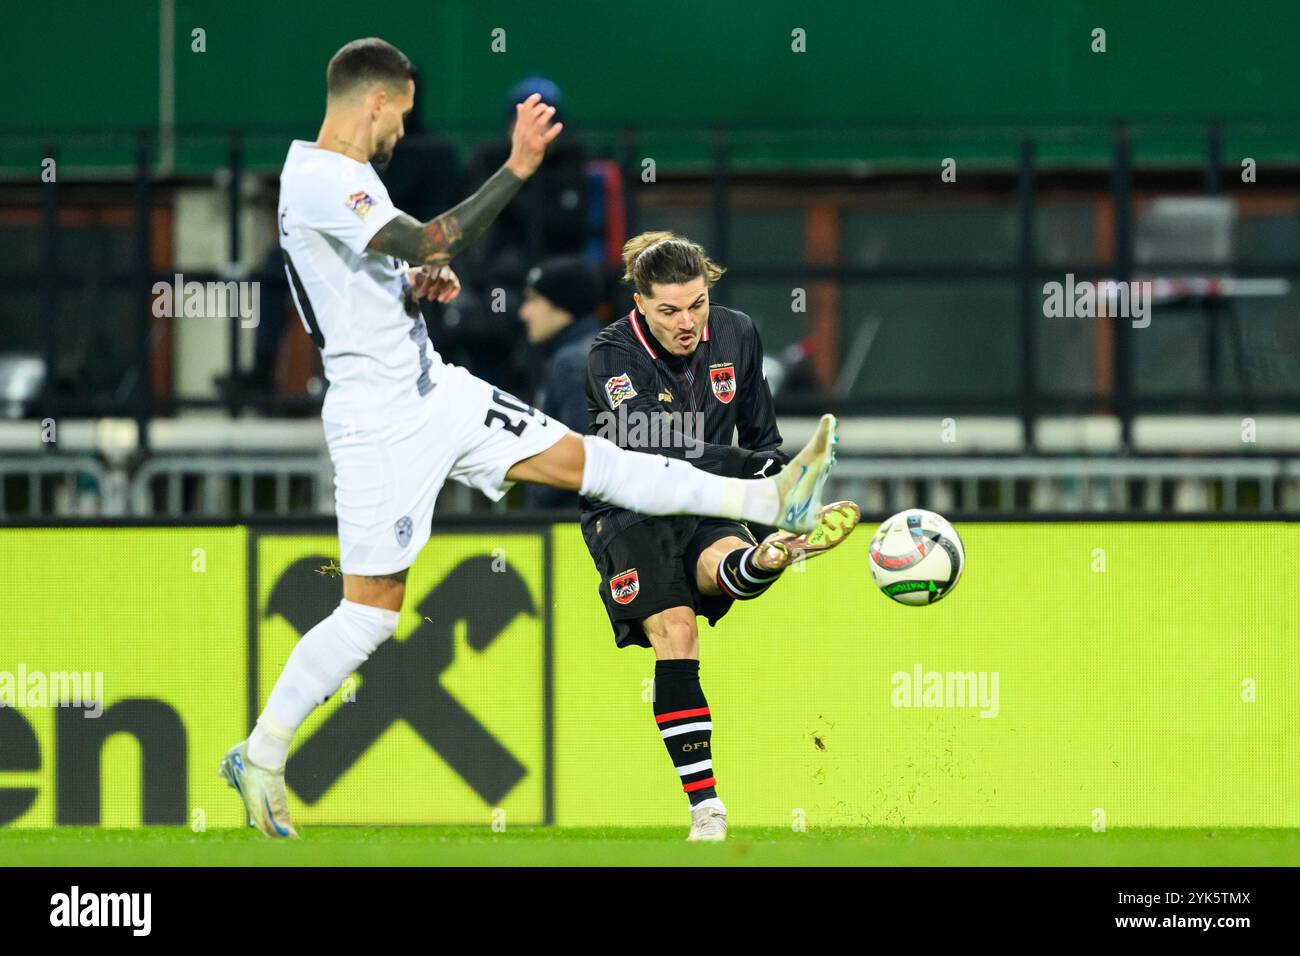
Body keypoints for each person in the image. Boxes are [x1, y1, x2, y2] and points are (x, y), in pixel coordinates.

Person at [219, 38, 842, 838]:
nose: (404, 133)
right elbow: (435, 237)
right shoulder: (318, 177)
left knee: (602, 466)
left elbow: (375, 279)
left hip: (432, 386)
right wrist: (516, 167)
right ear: (373, 100)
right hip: (379, 419)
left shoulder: (349, 180)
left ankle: (766, 493)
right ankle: (263, 753)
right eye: (402, 116)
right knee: (371, 614)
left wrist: (412, 287)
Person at [580, 231, 862, 842]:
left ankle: (765, 555)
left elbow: (763, 440)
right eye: (669, 311)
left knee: (728, 563)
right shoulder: (610, 353)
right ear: (640, 303)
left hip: (708, 500)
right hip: (629, 506)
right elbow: (646, 442)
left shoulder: (738, 333)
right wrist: (763, 480)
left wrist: (773, 485)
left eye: (697, 304)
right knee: (677, 631)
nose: (687, 322)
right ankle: (706, 810)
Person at [519, 255, 602, 510]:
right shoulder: (599, 350)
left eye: (533, 300)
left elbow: (581, 458)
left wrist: (536, 510)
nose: (524, 313)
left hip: (569, 530)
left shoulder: (572, 363)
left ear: (562, 306)